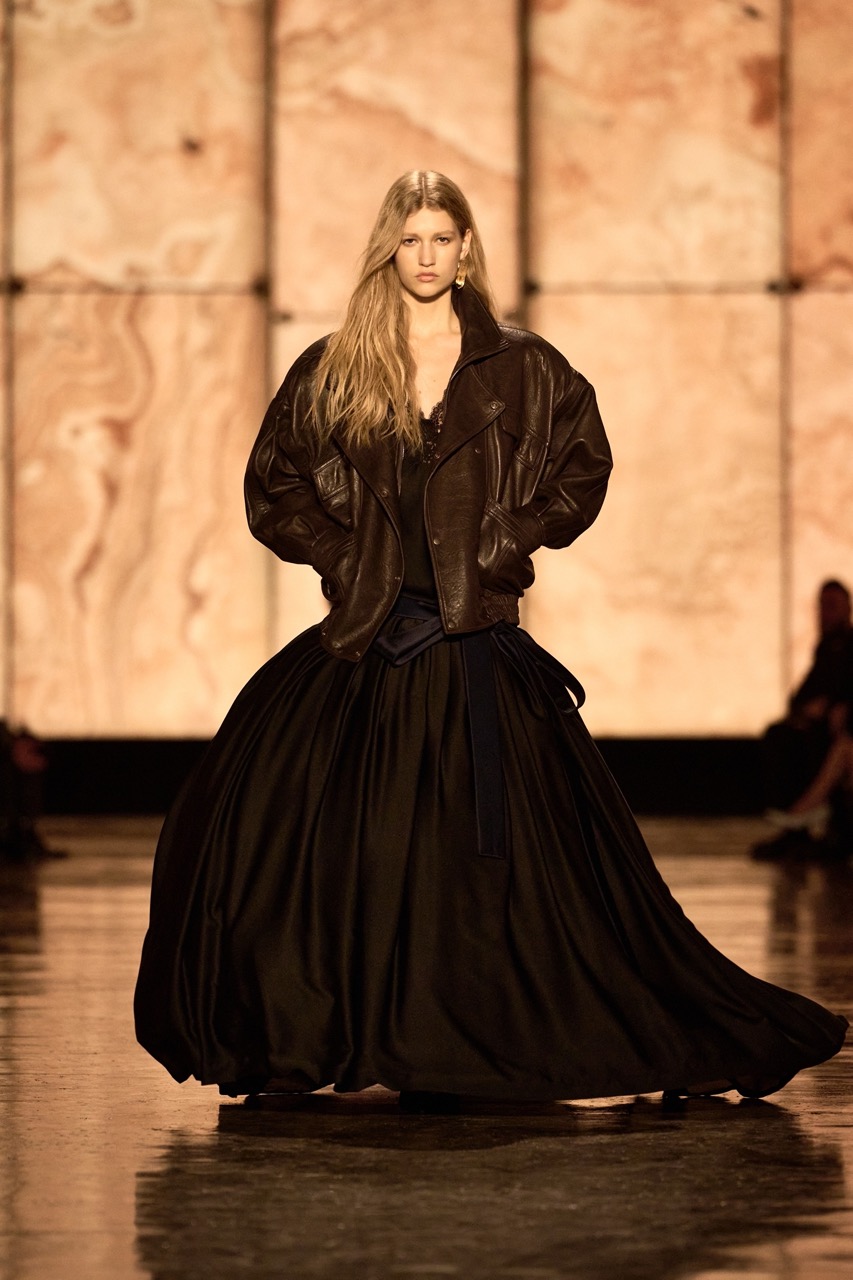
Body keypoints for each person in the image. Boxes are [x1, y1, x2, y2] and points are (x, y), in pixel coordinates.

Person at [134, 171, 846, 1106]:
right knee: (284, 839)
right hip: (364, 638)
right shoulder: (334, 366)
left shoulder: (524, 366)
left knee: (528, 876)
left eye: (442, 238)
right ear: (388, 249)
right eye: (410, 239)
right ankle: (302, 1040)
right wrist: (343, 555)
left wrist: (508, 539)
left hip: (473, 642)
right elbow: (274, 487)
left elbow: (583, 466)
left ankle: (498, 1035)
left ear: (466, 248)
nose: (426, 256)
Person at [753, 580, 853, 860]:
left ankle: (804, 812)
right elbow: (803, 696)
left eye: (831, 606)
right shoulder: (827, 648)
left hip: (837, 735)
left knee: (827, 745)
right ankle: (798, 821)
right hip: (825, 731)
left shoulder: (847, 647)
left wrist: (835, 706)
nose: (824, 614)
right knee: (782, 736)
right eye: (821, 606)